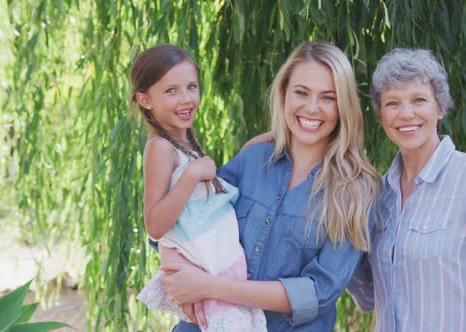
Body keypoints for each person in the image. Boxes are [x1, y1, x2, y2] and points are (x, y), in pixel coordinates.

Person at [160, 41, 381, 331]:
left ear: (344, 106)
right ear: (284, 94)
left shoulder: (358, 189)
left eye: (328, 97)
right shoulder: (253, 159)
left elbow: (317, 292)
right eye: (301, 92)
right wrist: (183, 278)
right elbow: (185, 224)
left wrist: (209, 286)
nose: (312, 107)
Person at [346, 48, 466, 331]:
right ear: (381, 115)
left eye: (419, 100)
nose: (406, 113)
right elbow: (370, 295)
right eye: (392, 103)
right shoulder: (379, 195)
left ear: (440, 107)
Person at [130, 44, 266, 331]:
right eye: (171, 91)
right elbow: (155, 225)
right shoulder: (160, 148)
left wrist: (262, 143)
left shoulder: (182, 141)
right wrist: (191, 175)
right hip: (204, 266)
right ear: (144, 100)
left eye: (191, 87)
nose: (186, 98)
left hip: (216, 264)